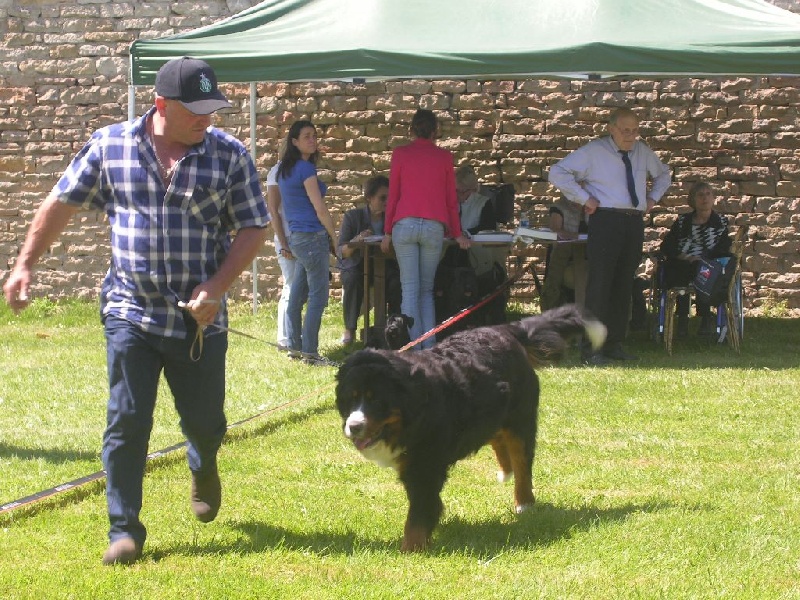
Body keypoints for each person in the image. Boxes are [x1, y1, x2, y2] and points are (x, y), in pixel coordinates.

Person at [2, 57, 270, 565]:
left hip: (199, 322)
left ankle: (203, 458)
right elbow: (61, 202)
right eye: (196, 111)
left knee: (205, 421)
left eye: (213, 110)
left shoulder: (229, 155)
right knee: (127, 420)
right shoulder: (111, 146)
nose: (206, 120)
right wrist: (25, 265)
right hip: (130, 310)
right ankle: (123, 530)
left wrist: (217, 286)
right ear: (161, 104)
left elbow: (255, 224)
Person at [549, 107, 671, 365]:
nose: (630, 135)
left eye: (635, 130)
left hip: (633, 221)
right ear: (611, 128)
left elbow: (663, 174)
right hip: (605, 219)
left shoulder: (641, 151)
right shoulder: (594, 151)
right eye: (625, 130)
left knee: (624, 283)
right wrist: (584, 198)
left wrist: (652, 199)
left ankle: (615, 342)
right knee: (600, 284)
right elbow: (557, 173)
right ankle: (591, 348)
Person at [381, 109, 470, 349]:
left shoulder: (400, 154)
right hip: (433, 227)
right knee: (427, 290)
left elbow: (393, 196)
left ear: (411, 129)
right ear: (435, 131)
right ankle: (429, 346)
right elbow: (451, 199)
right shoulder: (444, 157)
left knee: (409, 289)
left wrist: (387, 231)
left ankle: (414, 347)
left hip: (404, 225)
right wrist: (457, 232)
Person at [276, 120, 337, 360]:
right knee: (318, 296)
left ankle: (294, 347)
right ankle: (310, 352)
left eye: (314, 135)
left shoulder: (285, 170)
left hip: (297, 239)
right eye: (306, 136)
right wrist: (333, 235)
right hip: (312, 237)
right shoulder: (305, 169)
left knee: (296, 292)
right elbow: (319, 208)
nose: (312, 140)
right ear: (294, 142)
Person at [659, 180, 731, 337]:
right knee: (681, 270)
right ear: (693, 199)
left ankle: (705, 317)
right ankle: (682, 319)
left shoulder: (722, 223)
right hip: (682, 262)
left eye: (708, 194)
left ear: (713, 198)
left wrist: (702, 258)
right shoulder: (683, 221)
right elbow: (668, 245)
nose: (704, 198)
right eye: (700, 195)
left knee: (703, 270)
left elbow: (723, 249)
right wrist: (685, 256)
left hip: (708, 263)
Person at [336, 175, 401, 345]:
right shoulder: (353, 216)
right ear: (369, 198)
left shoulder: (394, 218)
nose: (387, 202)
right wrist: (357, 241)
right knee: (352, 279)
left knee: (396, 281)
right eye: (382, 198)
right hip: (359, 265)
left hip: (386, 264)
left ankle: (394, 327)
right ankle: (350, 328)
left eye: (389, 197)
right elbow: (341, 251)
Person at [266, 160, 307, 351]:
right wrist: (283, 243)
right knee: (291, 286)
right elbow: (273, 211)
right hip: (288, 237)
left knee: (296, 287)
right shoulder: (277, 171)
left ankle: (291, 336)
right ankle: (285, 338)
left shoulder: (304, 168)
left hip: (301, 235)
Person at [540, 196, 588, 311]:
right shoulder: (560, 207)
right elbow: (555, 231)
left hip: (589, 255)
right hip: (565, 256)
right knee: (557, 276)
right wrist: (577, 237)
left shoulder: (595, 206)